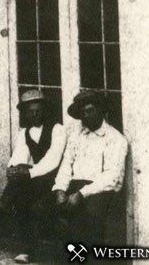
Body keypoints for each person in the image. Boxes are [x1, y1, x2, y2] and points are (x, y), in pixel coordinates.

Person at [36, 90, 128, 256]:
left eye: (90, 110)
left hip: (99, 190)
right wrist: (60, 190)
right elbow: (66, 165)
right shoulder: (77, 136)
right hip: (74, 186)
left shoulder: (116, 139)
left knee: (85, 219)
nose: (86, 116)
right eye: (82, 112)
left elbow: (112, 178)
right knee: (41, 208)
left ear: (101, 110)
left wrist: (81, 194)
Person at [0, 88, 66, 243]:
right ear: (25, 113)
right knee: (19, 177)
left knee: (20, 183)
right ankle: (24, 243)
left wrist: (27, 173)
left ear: (44, 110)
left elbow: (53, 160)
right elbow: (19, 155)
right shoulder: (25, 133)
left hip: (55, 180)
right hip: (36, 180)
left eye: (38, 111)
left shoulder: (57, 129)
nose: (35, 115)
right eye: (31, 112)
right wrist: (13, 168)